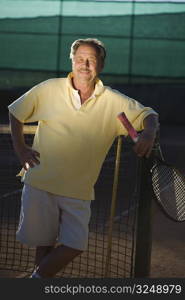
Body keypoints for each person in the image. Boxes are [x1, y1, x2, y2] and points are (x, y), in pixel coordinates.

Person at [8, 38, 159, 278]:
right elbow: (16, 111)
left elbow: (148, 114)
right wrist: (21, 149)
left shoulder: (113, 100)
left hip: (78, 190)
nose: (84, 64)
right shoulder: (49, 88)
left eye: (91, 59)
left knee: (75, 244)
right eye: (79, 59)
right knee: (44, 244)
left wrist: (149, 132)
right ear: (72, 61)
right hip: (40, 181)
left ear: (101, 64)